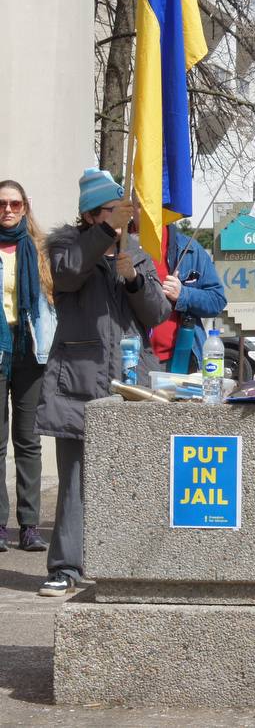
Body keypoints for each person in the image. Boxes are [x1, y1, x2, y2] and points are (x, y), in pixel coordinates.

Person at [34, 169, 171, 596]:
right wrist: (105, 239)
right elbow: (68, 274)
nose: (124, 220)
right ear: (93, 215)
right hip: (78, 378)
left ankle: (129, 561)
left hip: (130, 378)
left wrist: (133, 279)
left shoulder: (135, 251)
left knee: (132, 475)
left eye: (124, 212)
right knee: (74, 477)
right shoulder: (66, 246)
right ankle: (65, 566)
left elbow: (157, 314)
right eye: (115, 212)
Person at [0, 181, 56, 553]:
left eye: (14, 203)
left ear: (25, 207)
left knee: (28, 442)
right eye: (1, 203)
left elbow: (52, 300)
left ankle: (30, 526)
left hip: (29, 352)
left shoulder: (39, 250)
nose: (7, 210)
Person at [149, 223, 227, 374]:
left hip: (179, 363)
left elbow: (217, 300)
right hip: (130, 361)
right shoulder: (118, 246)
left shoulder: (189, 248)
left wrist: (183, 294)